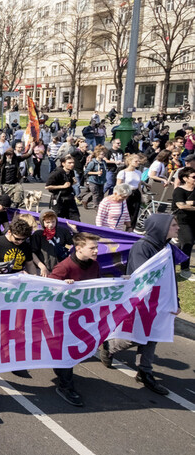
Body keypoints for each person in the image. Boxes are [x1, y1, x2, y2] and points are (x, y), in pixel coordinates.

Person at [99, 213, 176, 395]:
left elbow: (170, 277)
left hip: (159, 300)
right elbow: (144, 276)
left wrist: (175, 300)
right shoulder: (142, 247)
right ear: (161, 227)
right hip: (141, 300)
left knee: (153, 334)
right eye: (173, 225)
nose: (177, 228)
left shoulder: (166, 248)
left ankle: (145, 372)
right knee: (136, 335)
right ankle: (110, 347)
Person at [48, 232, 102, 407]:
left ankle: (61, 371)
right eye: (92, 248)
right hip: (61, 319)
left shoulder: (94, 265)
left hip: (81, 318)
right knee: (67, 351)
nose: (96, 251)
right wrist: (62, 287)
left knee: (71, 351)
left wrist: (123, 283)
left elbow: (98, 287)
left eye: (96, 247)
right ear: (78, 248)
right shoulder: (64, 267)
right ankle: (65, 386)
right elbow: (47, 290)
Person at [172, 167, 195, 280]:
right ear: (185, 178)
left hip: (193, 220)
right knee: (187, 242)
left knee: (183, 244)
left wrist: (190, 205)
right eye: (193, 177)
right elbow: (181, 206)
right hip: (181, 221)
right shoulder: (179, 191)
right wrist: (187, 205)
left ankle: (169, 253)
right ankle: (184, 270)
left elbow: (187, 205)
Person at [46, 155, 80, 221]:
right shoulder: (57, 173)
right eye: (69, 163)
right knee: (58, 219)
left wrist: (73, 183)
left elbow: (68, 185)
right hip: (59, 199)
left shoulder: (71, 172)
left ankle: (75, 231)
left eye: (73, 163)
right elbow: (47, 187)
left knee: (75, 218)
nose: (72, 164)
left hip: (69, 198)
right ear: (63, 163)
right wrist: (62, 186)